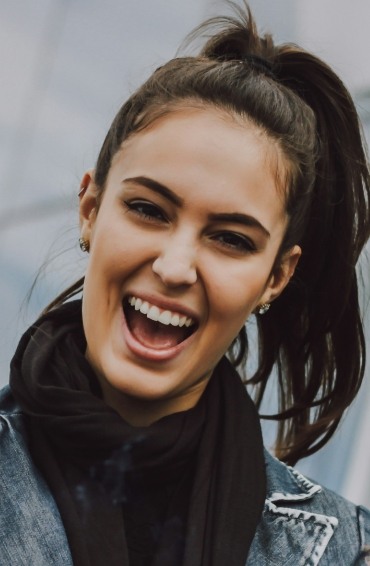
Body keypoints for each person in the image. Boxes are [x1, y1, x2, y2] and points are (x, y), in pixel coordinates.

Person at [1, 2, 370, 565]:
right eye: (148, 209)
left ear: (276, 277)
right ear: (90, 209)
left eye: (231, 239)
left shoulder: (343, 550)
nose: (175, 267)